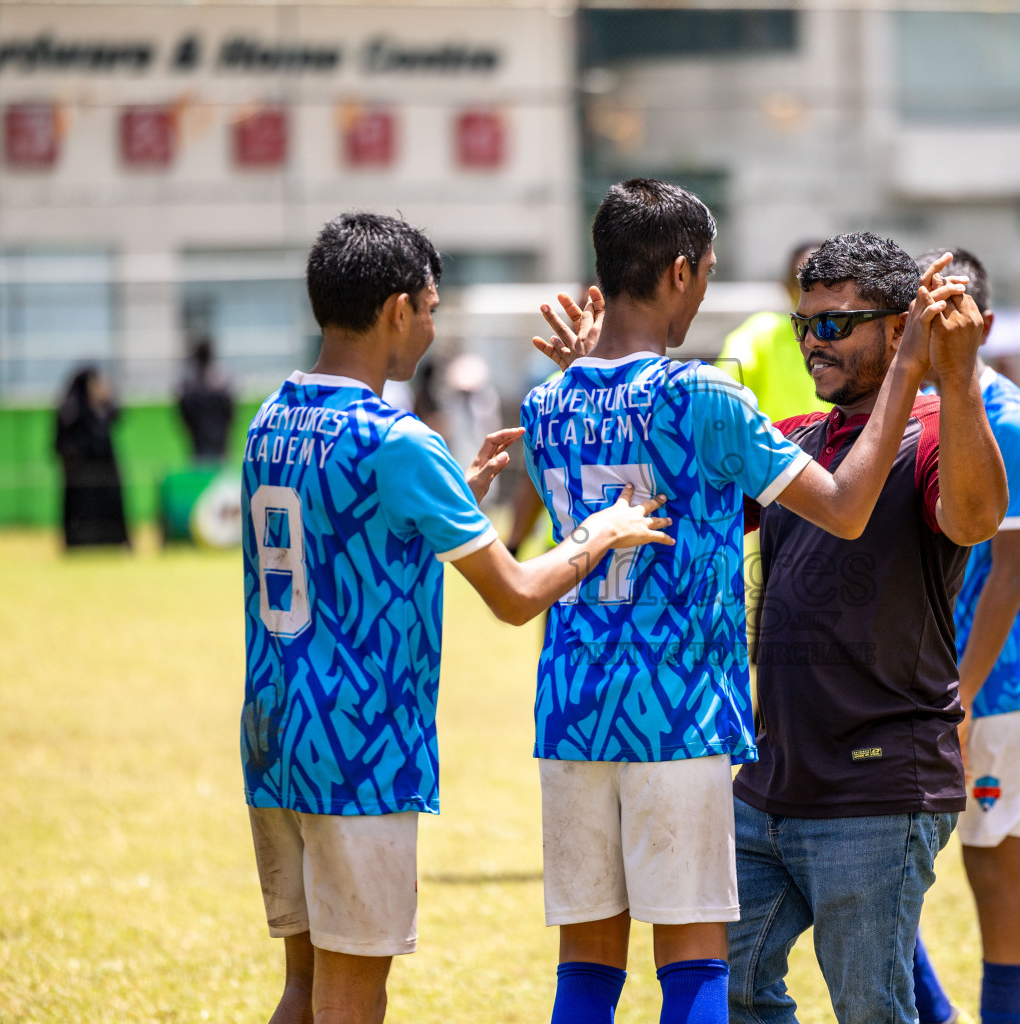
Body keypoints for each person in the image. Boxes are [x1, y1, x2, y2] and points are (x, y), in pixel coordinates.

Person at [524, 184, 971, 1024]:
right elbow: (842, 505)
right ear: (681, 270)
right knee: (696, 963)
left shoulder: (548, 402)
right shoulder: (708, 399)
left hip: (572, 713)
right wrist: (910, 367)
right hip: (677, 716)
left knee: (585, 963)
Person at [240, 212, 674, 1024]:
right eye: (432, 308)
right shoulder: (399, 441)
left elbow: (341, 534)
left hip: (274, 736)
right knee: (351, 993)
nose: (434, 328)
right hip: (356, 746)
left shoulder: (270, 418)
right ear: (399, 308)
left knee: (302, 988)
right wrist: (598, 532)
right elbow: (513, 595)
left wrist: (449, 506)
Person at [730, 233, 1008, 1024]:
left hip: (878, 783)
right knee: (728, 987)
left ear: (898, 331)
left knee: (871, 1011)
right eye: (805, 323)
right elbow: (695, 513)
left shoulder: (932, 433)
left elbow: (977, 516)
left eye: (836, 324)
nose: (814, 342)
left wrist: (952, 377)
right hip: (767, 782)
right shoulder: (792, 437)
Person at [906, 250, 1020, 1024]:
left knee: (992, 867)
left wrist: (958, 699)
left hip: (989, 687)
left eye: (951, 318)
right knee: (871, 867)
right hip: (912, 682)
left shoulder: (1011, 423)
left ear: (984, 326)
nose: (936, 337)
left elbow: (1009, 577)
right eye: (922, 320)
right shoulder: (901, 411)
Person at [717, 241, 830, 421]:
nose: (813, 291)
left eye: (825, 281)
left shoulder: (855, 335)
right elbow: (721, 398)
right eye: (802, 281)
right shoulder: (760, 334)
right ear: (786, 287)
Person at [54, 365, 130, 549]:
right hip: (81, 476)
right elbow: (61, 443)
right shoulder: (71, 410)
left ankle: (111, 540)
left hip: (103, 474)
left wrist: (108, 397)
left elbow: (116, 417)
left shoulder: (99, 408)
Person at [176, 336, 237, 463]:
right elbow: (230, 411)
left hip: (200, 437)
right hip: (214, 437)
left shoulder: (189, 385)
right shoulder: (221, 382)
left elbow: (183, 412)